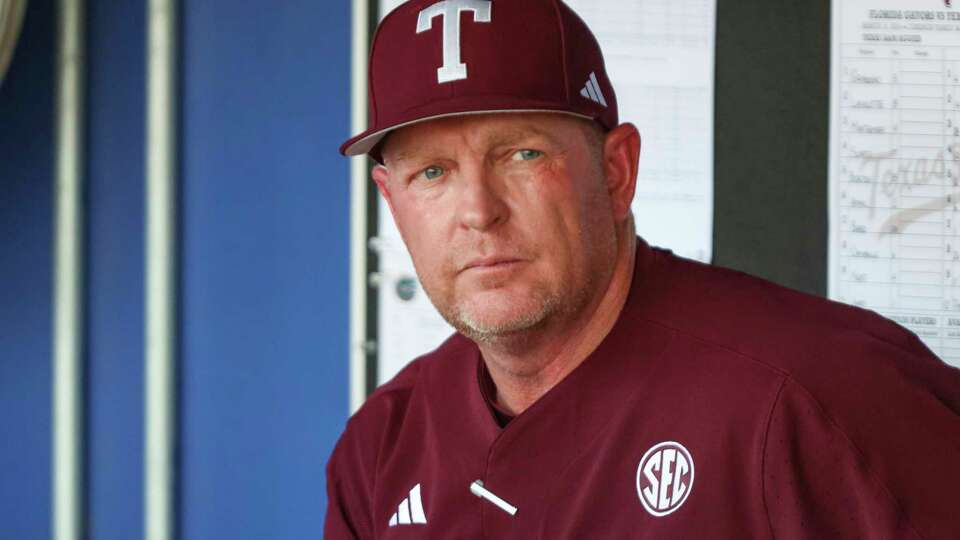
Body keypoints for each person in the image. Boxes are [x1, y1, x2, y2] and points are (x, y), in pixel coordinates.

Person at [327, 0, 960, 538]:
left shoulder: (824, 399)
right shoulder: (383, 444)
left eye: (522, 153)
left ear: (616, 171)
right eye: (431, 173)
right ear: (391, 200)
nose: (479, 213)